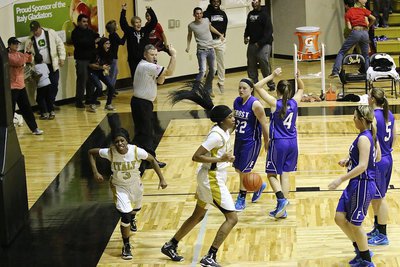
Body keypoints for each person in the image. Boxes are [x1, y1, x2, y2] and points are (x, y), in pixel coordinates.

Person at [162, 82, 237, 267]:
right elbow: (196, 156)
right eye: (230, 117)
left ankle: (171, 244)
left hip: (210, 177)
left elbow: (224, 120)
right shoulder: (216, 136)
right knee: (232, 218)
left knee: (198, 215)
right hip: (211, 180)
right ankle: (210, 256)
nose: (233, 119)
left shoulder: (225, 129)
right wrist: (222, 160)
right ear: (221, 121)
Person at [88, 128, 168, 260]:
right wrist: (95, 172)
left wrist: (162, 178)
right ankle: (126, 245)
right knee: (125, 215)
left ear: (127, 141)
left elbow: (153, 160)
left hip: (136, 185)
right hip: (119, 187)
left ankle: (133, 218)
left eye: (122, 140)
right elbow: (91, 152)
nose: (119, 144)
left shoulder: (136, 151)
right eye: (116, 141)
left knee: (135, 209)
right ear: (113, 143)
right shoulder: (110, 152)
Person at [328, 105, 380, 267]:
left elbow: (364, 165)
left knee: (355, 224)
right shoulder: (367, 135)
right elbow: (375, 158)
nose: (353, 120)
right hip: (356, 183)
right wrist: (350, 161)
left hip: (363, 185)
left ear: (362, 120)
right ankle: (361, 250)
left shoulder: (365, 138)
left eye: (355, 117)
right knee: (339, 218)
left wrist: (340, 179)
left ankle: (366, 260)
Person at [254, 68, 304, 218]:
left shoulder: (274, 103)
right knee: (285, 175)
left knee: (271, 174)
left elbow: (257, 86)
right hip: (293, 143)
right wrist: (299, 78)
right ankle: (282, 209)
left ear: (278, 91)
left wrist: (272, 75)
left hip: (279, 143)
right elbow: (301, 88)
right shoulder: (294, 102)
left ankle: (281, 200)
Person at [131, 44, 176, 170]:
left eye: (156, 55)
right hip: (141, 103)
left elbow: (161, 81)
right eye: (152, 54)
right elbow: (170, 72)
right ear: (145, 55)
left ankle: (138, 157)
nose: (154, 57)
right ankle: (151, 160)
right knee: (146, 133)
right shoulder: (146, 66)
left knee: (143, 132)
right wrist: (173, 55)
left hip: (144, 103)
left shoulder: (149, 67)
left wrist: (160, 70)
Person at [232, 76, 270, 211]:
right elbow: (235, 121)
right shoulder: (236, 101)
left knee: (243, 170)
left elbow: (264, 124)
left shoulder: (255, 104)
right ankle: (259, 186)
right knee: (238, 169)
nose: (241, 90)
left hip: (251, 142)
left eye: (244, 88)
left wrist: (267, 140)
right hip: (239, 140)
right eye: (240, 88)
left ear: (251, 89)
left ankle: (241, 198)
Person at [367, 88, 395, 246]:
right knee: (376, 197)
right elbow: (395, 137)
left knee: (380, 198)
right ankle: (377, 228)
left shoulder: (374, 117)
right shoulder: (389, 114)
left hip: (378, 160)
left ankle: (383, 235)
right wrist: (387, 151)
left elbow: (373, 140)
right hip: (388, 157)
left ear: (372, 99)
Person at [25, 20, 66, 110]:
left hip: (52, 65)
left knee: (54, 85)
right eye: (33, 31)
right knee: (44, 88)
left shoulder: (50, 33)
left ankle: (50, 103)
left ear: (40, 27)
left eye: (36, 30)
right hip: (40, 68)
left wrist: (62, 58)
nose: (35, 32)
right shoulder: (30, 40)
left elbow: (60, 44)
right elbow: (27, 55)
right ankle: (46, 107)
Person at [329, 0, 376, 78]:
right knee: (366, 56)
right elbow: (373, 18)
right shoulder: (362, 9)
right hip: (365, 33)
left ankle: (335, 71)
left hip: (356, 32)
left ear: (347, 6)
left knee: (342, 52)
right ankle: (368, 75)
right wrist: (368, 26)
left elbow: (349, 27)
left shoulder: (348, 13)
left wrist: (354, 32)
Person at [7, 37, 43, 135]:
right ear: (9, 45)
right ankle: (8, 132)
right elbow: (19, 62)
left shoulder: (19, 54)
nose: (17, 45)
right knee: (10, 111)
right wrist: (26, 53)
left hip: (21, 86)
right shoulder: (8, 56)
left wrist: (29, 51)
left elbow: (29, 60)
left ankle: (34, 128)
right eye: (14, 44)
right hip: (12, 87)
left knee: (26, 108)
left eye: (17, 44)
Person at [186, 7, 225, 97]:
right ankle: (194, 91)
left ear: (202, 14)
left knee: (213, 70)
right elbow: (189, 36)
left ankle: (208, 89)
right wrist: (188, 46)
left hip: (210, 50)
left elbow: (211, 28)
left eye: (200, 13)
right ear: (194, 15)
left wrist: (220, 35)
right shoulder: (191, 25)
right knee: (203, 71)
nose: (199, 15)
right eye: (197, 14)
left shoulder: (206, 20)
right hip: (201, 51)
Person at [120, 3, 158, 80]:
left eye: (139, 22)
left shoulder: (145, 30)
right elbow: (123, 23)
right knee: (135, 78)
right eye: (136, 22)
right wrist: (123, 11)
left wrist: (150, 10)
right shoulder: (129, 31)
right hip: (133, 60)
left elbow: (154, 21)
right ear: (133, 24)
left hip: (144, 59)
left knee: (146, 77)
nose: (139, 24)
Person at [244, 0, 275, 91]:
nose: (254, 2)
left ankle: (270, 84)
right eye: (253, 1)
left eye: (256, 1)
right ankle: (254, 84)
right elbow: (248, 27)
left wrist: (260, 43)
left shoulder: (265, 14)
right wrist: (246, 36)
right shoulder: (250, 14)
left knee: (263, 62)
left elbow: (269, 31)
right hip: (253, 43)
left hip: (264, 43)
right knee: (251, 64)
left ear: (260, 2)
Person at [71, 14, 100, 108]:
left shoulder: (89, 31)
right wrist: (92, 41)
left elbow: (96, 36)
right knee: (82, 80)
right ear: (78, 22)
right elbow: (81, 43)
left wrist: (95, 40)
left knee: (91, 80)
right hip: (81, 60)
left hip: (91, 59)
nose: (86, 23)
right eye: (83, 21)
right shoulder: (75, 33)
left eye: (87, 21)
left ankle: (90, 99)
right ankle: (79, 101)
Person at [203, 0, 228, 93]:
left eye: (218, 1)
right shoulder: (206, 13)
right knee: (210, 65)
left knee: (221, 63)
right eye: (214, 1)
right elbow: (208, 26)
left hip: (220, 41)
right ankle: (208, 86)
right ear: (211, 2)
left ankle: (221, 83)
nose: (216, 3)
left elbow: (225, 24)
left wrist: (223, 36)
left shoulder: (222, 13)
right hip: (209, 41)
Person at [88, 37, 116, 112]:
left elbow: (108, 64)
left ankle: (108, 104)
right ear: (102, 44)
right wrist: (101, 67)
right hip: (93, 72)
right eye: (106, 43)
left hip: (102, 71)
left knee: (111, 86)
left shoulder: (110, 53)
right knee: (99, 87)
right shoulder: (95, 52)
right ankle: (92, 104)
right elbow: (90, 65)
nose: (108, 45)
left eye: (109, 43)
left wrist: (107, 68)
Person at [105, 20, 126, 89]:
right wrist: (126, 34)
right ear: (113, 27)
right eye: (116, 24)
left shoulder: (111, 35)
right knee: (113, 73)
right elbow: (122, 42)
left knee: (115, 72)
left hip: (112, 56)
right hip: (113, 57)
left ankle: (112, 88)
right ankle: (110, 89)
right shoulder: (114, 35)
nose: (117, 25)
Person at [34, 53, 54, 120]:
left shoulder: (35, 67)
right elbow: (48, 72)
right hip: (48, 83)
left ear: (34, 60)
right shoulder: (45, 65)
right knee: (49, 98)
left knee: (40, 99)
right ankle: (51, 112)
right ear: (42, 59)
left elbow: (34, 76)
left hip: (41, 85)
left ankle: (44, 114)